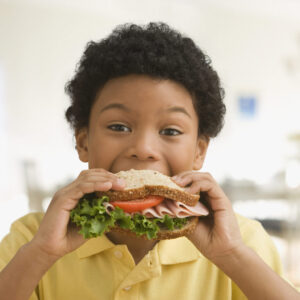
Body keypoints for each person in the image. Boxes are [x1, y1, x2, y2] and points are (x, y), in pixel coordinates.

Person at [0, 22, 299, 300]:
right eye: (118, 127)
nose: (143, 149)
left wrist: (232, 255)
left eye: (170, 130)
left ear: (199, 152)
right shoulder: (31, 238)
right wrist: (40, 254)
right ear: (83, 142)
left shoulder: (242, 241)